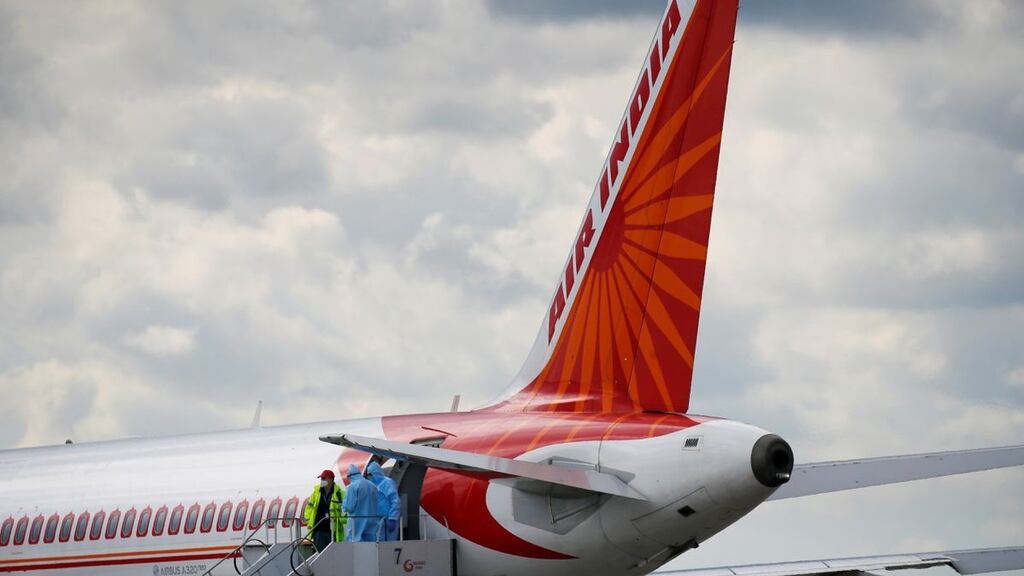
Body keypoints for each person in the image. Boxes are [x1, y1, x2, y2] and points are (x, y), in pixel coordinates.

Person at [303, 469, 346, 553]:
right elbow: (309, 507)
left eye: (324, 478)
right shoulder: (316, 492)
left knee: (333, 553)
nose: (322, 480)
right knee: (319, 553)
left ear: (331, 479)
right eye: (321, 479)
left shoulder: (339, 494)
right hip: (319, 528)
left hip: (333, 530)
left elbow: (344, 510)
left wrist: (343, 519)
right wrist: (308, 519)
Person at [341, 464, 379, 541]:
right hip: (372, 521)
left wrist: (343, 506)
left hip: (357, 522)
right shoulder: (373, 485)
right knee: (371, 544)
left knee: (354, 543)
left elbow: (349, 507)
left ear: (350, 476)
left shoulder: (352, 486)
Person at [366, 461, 401, 541]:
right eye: (368, 475)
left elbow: (395, 501)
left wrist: (392, 518)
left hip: (388, 520)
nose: (369, 477)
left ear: (376, 473)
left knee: (389, 544)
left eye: (370, 474)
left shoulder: (387, 483)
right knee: (378, 544)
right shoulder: (372, 485)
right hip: (377, 521)